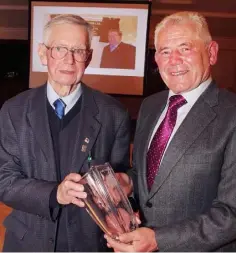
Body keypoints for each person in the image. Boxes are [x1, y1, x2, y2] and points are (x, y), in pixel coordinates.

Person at [105, 11, 236, 252]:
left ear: (212, 52)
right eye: (165, 51)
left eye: (185, 48)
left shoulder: (231, 115)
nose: (173, 60)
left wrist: (159, 239)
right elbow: (152, 175)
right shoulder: (151, 105)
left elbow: (232, 213)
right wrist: (129, 183)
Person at [0, 14, 131, 252]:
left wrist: (121, 197)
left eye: (78, 51)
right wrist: (55, 194)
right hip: (26, 243)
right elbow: (4, 181)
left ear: (88, 57)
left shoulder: (114, 114)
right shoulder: (13, 111)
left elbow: (121, 178)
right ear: (43, 53)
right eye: (59, 49)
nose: (69, 60)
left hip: (89, 244)